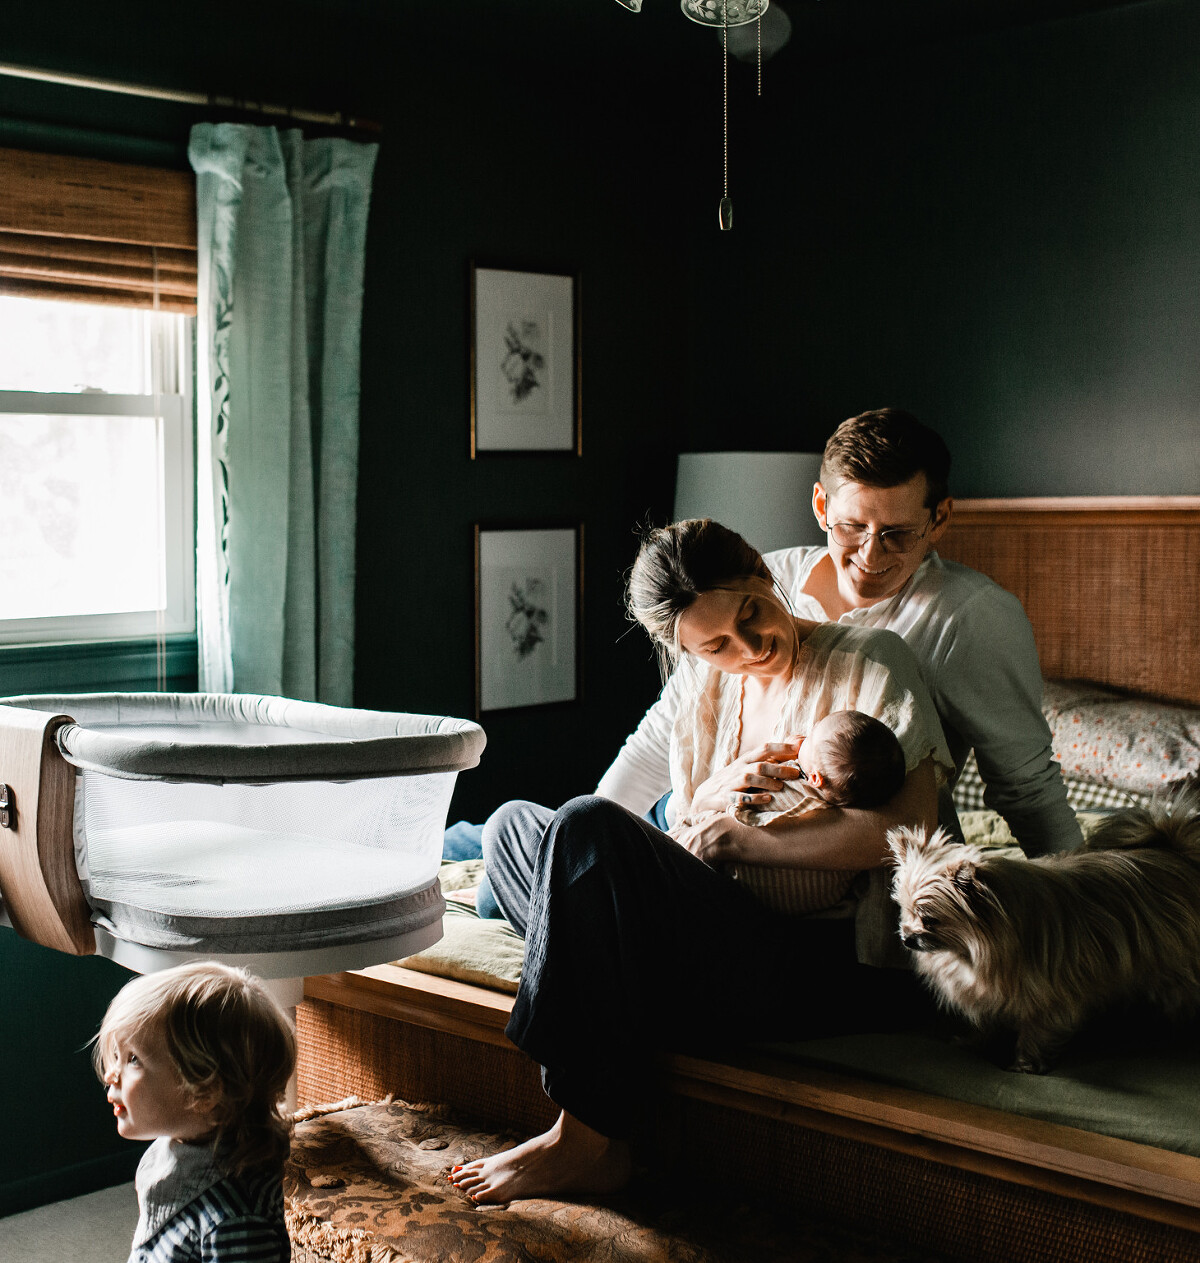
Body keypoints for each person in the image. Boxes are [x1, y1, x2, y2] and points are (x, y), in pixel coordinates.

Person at [449, 519, 955, 1205]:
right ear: (686, 649)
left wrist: (740, 841)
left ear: (763, 574)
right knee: (513, 825)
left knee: (585, 828)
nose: (750, 647)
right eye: (716, 645)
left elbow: (909, 828)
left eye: (751, 613)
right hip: (709, 936)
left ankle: (585, 1139)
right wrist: (710, 799)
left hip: (815, 957)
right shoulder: (701, 688)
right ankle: (607, 958)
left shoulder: (871, 660)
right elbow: (684, 828)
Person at [597, 408, 1082, 859]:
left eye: (897, 534)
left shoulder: (972, 619)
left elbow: (1028, 788)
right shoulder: (770, 581)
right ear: (820, 506)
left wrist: (1084, 901)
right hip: (721, 861)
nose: (871, 555)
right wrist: (590, 846)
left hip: (860, 866)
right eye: (851, 527)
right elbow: (660, 741)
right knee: (565, 825)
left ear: (939, 519)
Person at [93, 961, 296, 1263]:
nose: (112, 1075)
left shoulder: (234, 1221)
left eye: (133, 1059)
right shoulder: (182, 1141)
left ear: (204, 1093)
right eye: (116, 1056)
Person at [714, 708, 908, 914]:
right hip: (815, 902)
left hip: (742, 883)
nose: (809, 730)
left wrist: (784, 753)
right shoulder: (849, 822)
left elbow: (744, 792)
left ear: (815, 778)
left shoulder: (791, 777)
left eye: (812, 735)